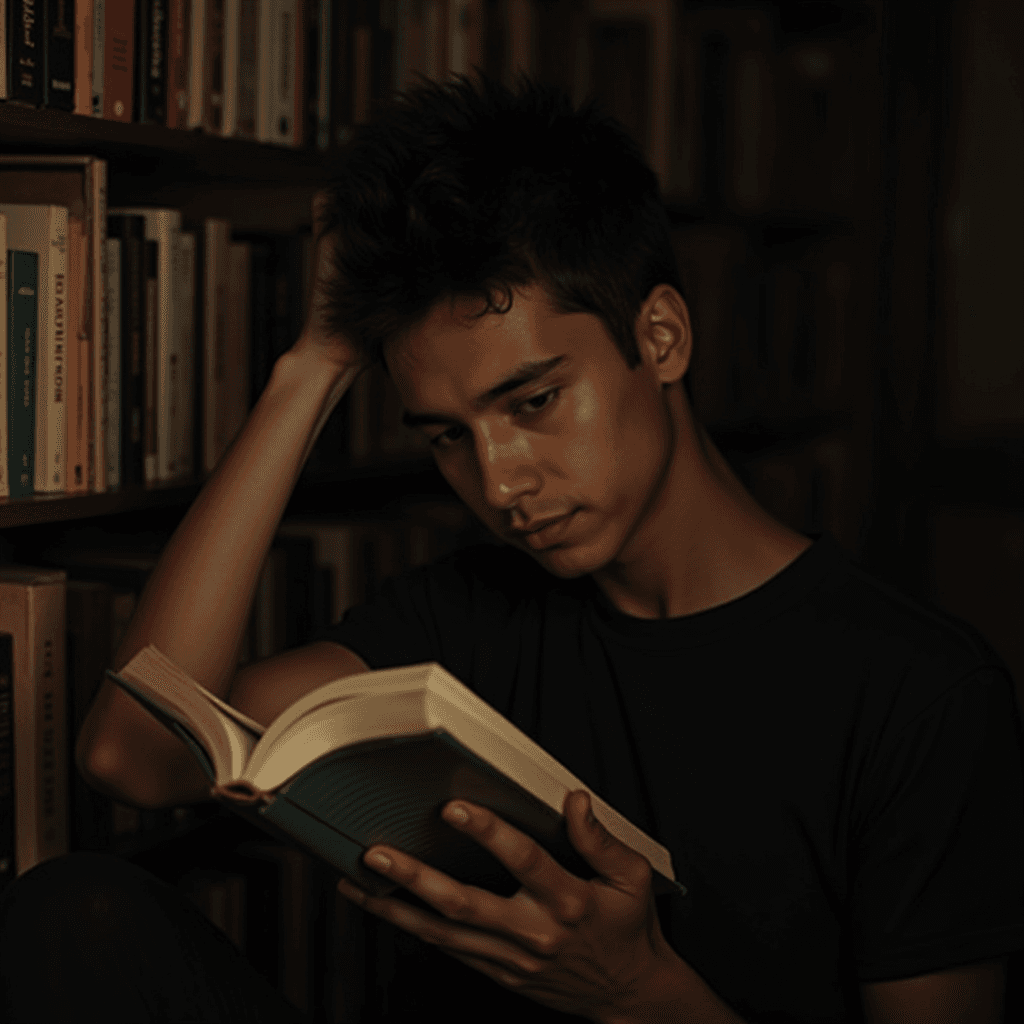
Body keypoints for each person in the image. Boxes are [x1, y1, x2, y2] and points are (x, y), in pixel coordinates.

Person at [2, 72, 1021, 1023]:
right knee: (80, 910)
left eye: (533, 402)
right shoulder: (461, 618)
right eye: (446, 434)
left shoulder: (919, 692)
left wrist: (642, 996)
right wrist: (311, 367)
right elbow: (131, 754)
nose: (497, 483)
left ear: (659, 338)